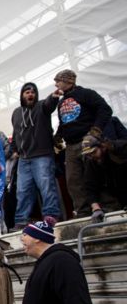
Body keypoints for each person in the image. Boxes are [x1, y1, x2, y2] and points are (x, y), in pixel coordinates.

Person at [54, 69, 113, 217]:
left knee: (96, 176)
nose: (56, 84)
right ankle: (83, 212)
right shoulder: (61, 102)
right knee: (73, 181)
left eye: (58, 81)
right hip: (71, 146)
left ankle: (108, 207)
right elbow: (66, 121)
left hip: (88, 141)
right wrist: (58, 135)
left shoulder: (86, 93)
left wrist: (95, 132)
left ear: (68, 80)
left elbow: (105, 109)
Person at [10, 82, 61, 226]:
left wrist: (54, 97)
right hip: (24, 158)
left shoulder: (41, 106)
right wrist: (14, 149)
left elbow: (49, 104)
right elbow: (15, 134)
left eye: (33, 92)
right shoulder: (16, 112)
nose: (30, 94)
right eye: (27, 92)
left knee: (46, 186)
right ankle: (21, 220)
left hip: (42, 155)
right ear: (22, 95)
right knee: (22, 191)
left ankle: (51, 215)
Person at [81, 134, 127, 222]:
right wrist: (96, 208)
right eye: (88, 155)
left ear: (102, 147)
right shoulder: (91, 161)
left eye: (93, 152)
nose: (92, 156)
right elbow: (89, 187)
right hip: (115, 193)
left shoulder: (121, 149)